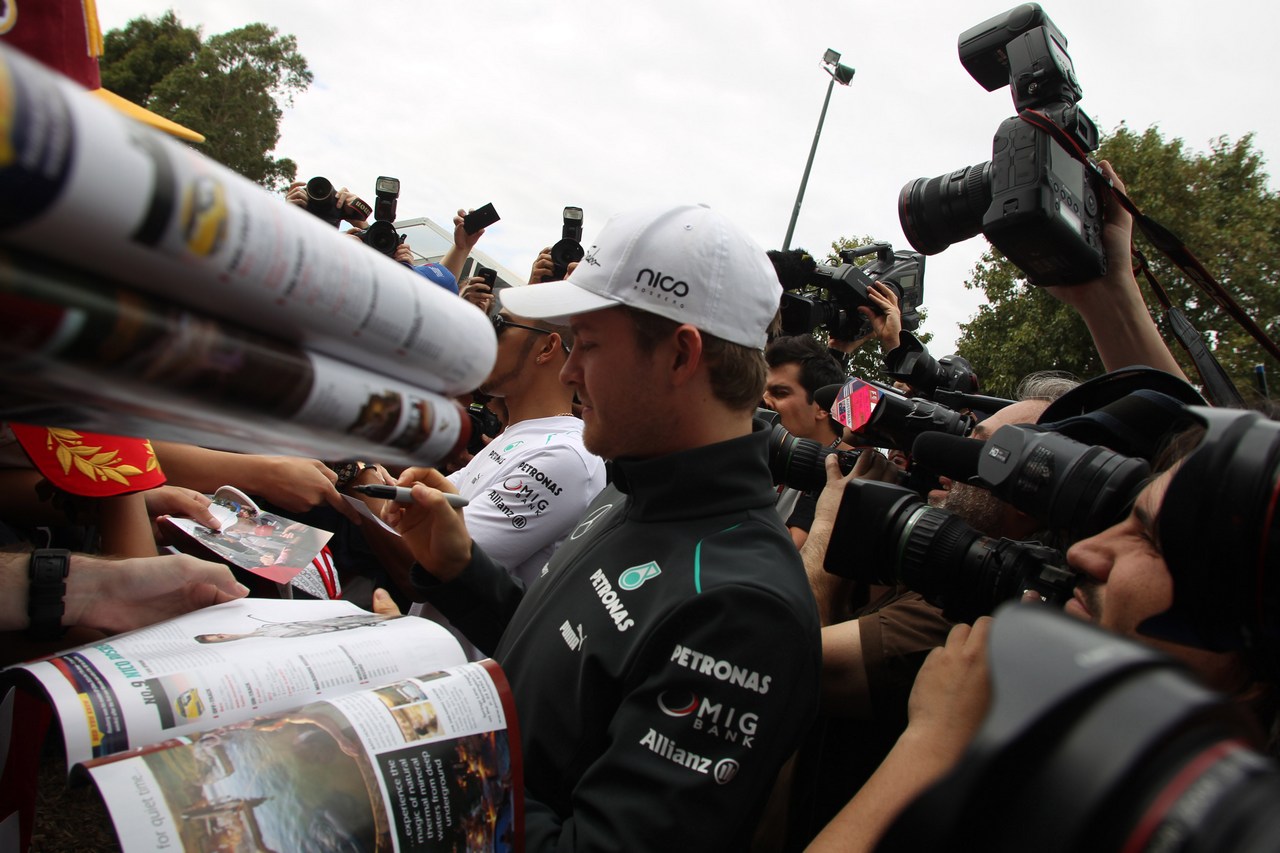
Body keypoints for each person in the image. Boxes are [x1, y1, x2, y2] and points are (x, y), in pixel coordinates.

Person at [386, 203, 822, 850]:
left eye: (587, 344)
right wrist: (459, 569)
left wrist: (448, 754)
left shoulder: (744, 609)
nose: (566, 370)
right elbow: (569, 663)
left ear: (680, 355)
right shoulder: (636, 481)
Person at [764, 334, 849, 547]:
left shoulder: (843, 471)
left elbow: (790, 548)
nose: (763, 401)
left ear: (821, 406)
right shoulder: (771, 454)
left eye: (779, 393)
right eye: (762, 390)